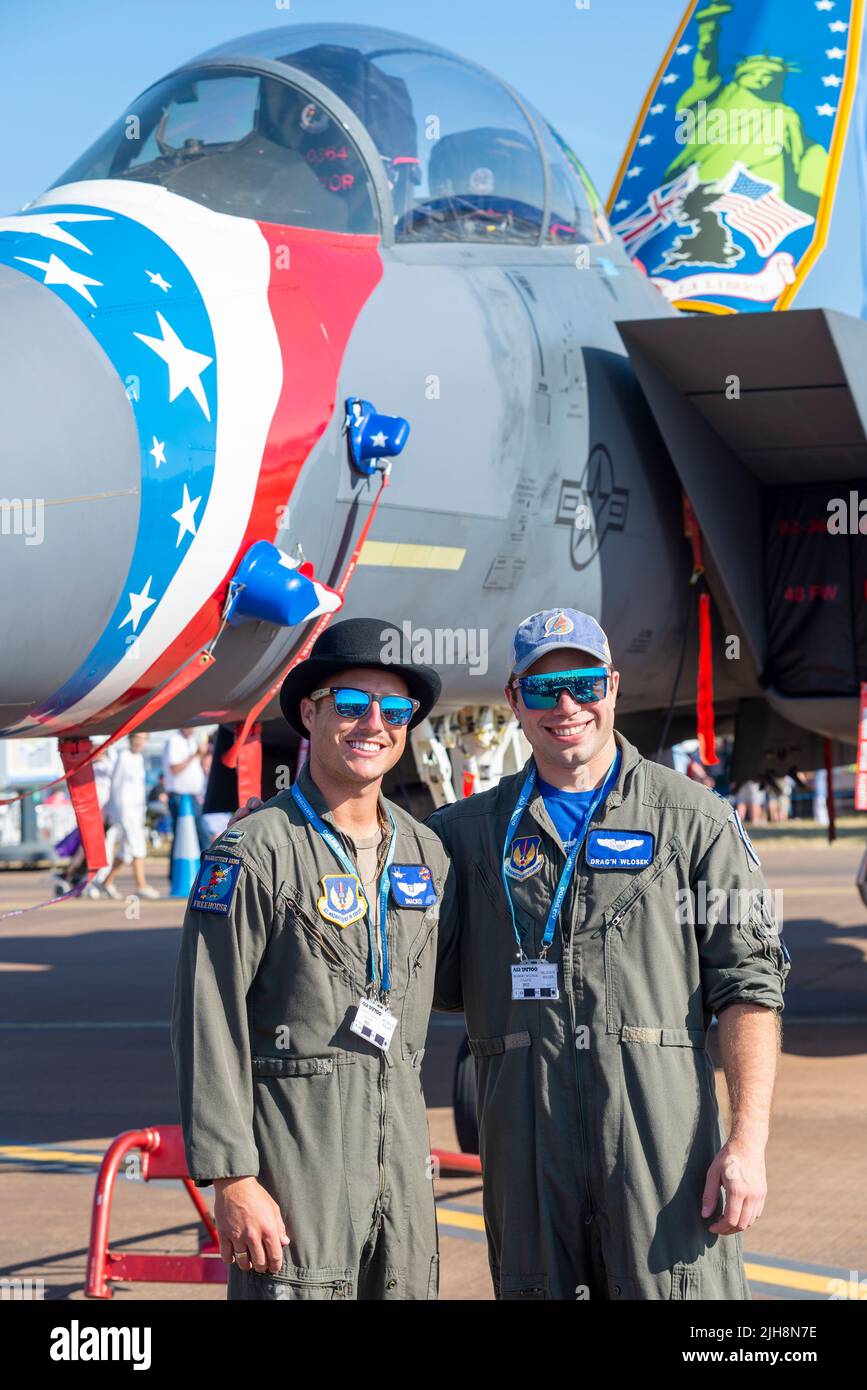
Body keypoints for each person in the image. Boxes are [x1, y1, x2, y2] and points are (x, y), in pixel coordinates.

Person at [430, 608, 790, 1301]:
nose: (565, 706)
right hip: (529, 1162)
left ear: (613, 687)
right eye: (542, 690)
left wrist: (746, 1141)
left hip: (660, 1156)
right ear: (513, 700)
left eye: (583, 684)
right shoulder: (463, 835)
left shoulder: (694, 820)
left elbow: (748, 986)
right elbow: (426, 982)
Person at [171, 618, 449, 1300]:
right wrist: (232, 1178)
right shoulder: (254, 851)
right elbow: (208, 1018)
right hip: (296, 1175)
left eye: (394, 709)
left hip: (402, 1173)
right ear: (309, 713)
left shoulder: (424, 852)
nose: (373, 724)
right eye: (351, 705)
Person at [100, 733, 160, 900]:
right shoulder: (123, 757)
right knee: (137, 846)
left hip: (137, 811)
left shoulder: (139, 759)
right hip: (125, 811)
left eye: (143, 739)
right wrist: (116, 812)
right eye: (137, 738)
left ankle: (107, 882)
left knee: (126, 850)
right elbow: (116, 786)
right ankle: (141, 885)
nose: (140, 742)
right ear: (131, 739)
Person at [163, 727, 210, 854]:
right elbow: (175, 769)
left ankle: (200, 866)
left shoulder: (192, 741)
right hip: (180, 796)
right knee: (181, 836)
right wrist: (195, 754)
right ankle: (176, 873)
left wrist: (200, 756)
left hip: (193, 796)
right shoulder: (174, 741)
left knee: (200, 834)